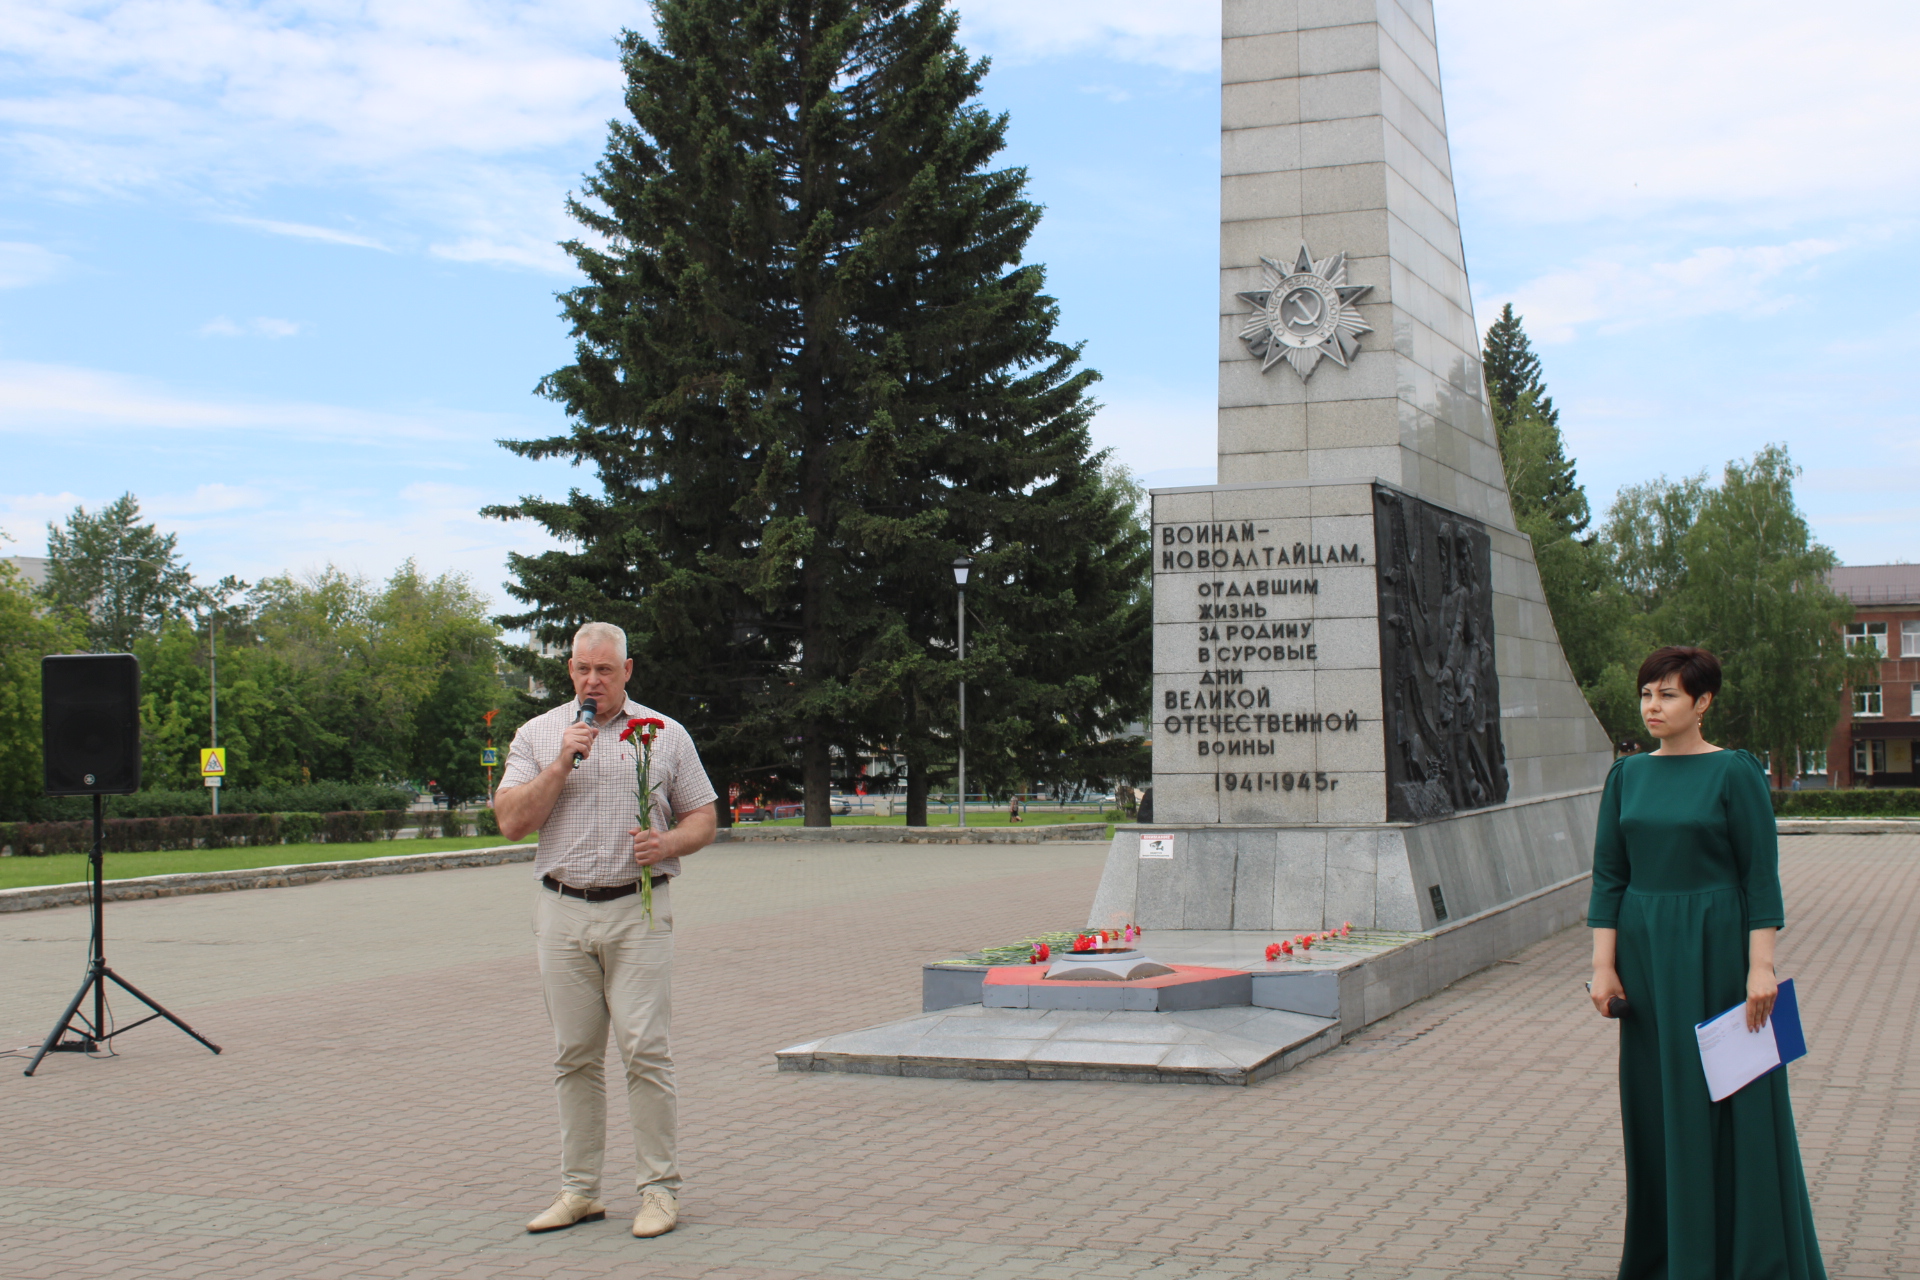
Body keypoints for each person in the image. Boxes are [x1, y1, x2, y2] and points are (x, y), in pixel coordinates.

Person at [1587, 646, 1826, 1280]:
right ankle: (1672, 1254)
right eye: (1646, 695)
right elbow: (1609, 877)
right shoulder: (1626, 777)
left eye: (1667, 695)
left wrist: (1761, 967)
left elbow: (1760, 881)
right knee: (1661, 1104)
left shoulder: (1735, 773)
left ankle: (1752, 1254)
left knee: (1737, 1096)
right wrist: (1603, 967)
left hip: (1720, 957)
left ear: (1703, 702)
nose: (1653, 706)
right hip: (1646, 964)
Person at [494, 621, 718, 1240]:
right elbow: (511, 823)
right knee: (574, 1056)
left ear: (628, 671)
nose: (593, 680)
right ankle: (580, 1191)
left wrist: (667, 841)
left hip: (637, 912)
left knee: (645, 1050)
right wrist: (562, 761)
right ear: (570, 671)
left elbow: (705, 817)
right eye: (583, 669)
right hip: (562, 911)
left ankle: (659, 1191)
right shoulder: (539, 735)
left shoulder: (665, 735)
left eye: (606, 670)